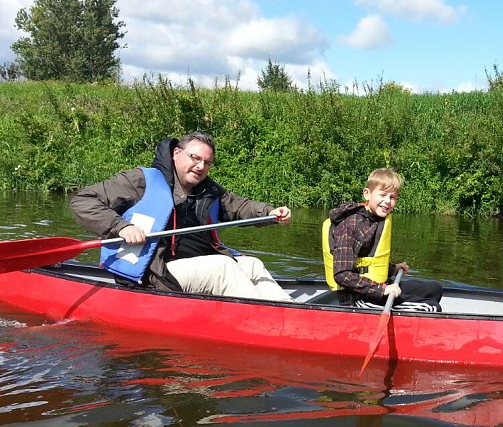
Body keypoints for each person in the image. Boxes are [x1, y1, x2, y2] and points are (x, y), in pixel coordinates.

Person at [70, 132, 293, 302]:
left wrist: (269, 212)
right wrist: (121, 227)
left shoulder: (208, 191)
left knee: (252, 264)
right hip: (155, 273)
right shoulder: (140, 181)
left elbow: (240, 206)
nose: (200, 166)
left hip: (194, 269)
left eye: (207, 162)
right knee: (223, 267)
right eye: (195, 158)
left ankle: (287, 313)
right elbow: (83, 201)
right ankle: (264, 322)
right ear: (176, 153)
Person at [322, 168, 443, 312]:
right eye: (383, 194)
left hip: (376, 287)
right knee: (431, 307)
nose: (387, 201)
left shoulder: (375, 219)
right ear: (367, 194)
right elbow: (342, 275)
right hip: (356, 297)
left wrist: (393, 269)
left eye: (392, 197)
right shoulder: (351, 226)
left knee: (434, 289)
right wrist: (382, 289)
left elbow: (368, 261)